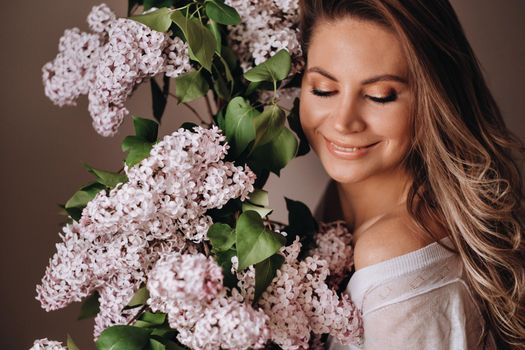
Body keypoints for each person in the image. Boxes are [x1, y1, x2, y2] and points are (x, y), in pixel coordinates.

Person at [298, 0, 525, 349]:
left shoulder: (395, 250)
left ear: (433, 100)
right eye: (323, 89)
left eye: (380, 96)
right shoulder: (339, 200)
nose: (343, 121)